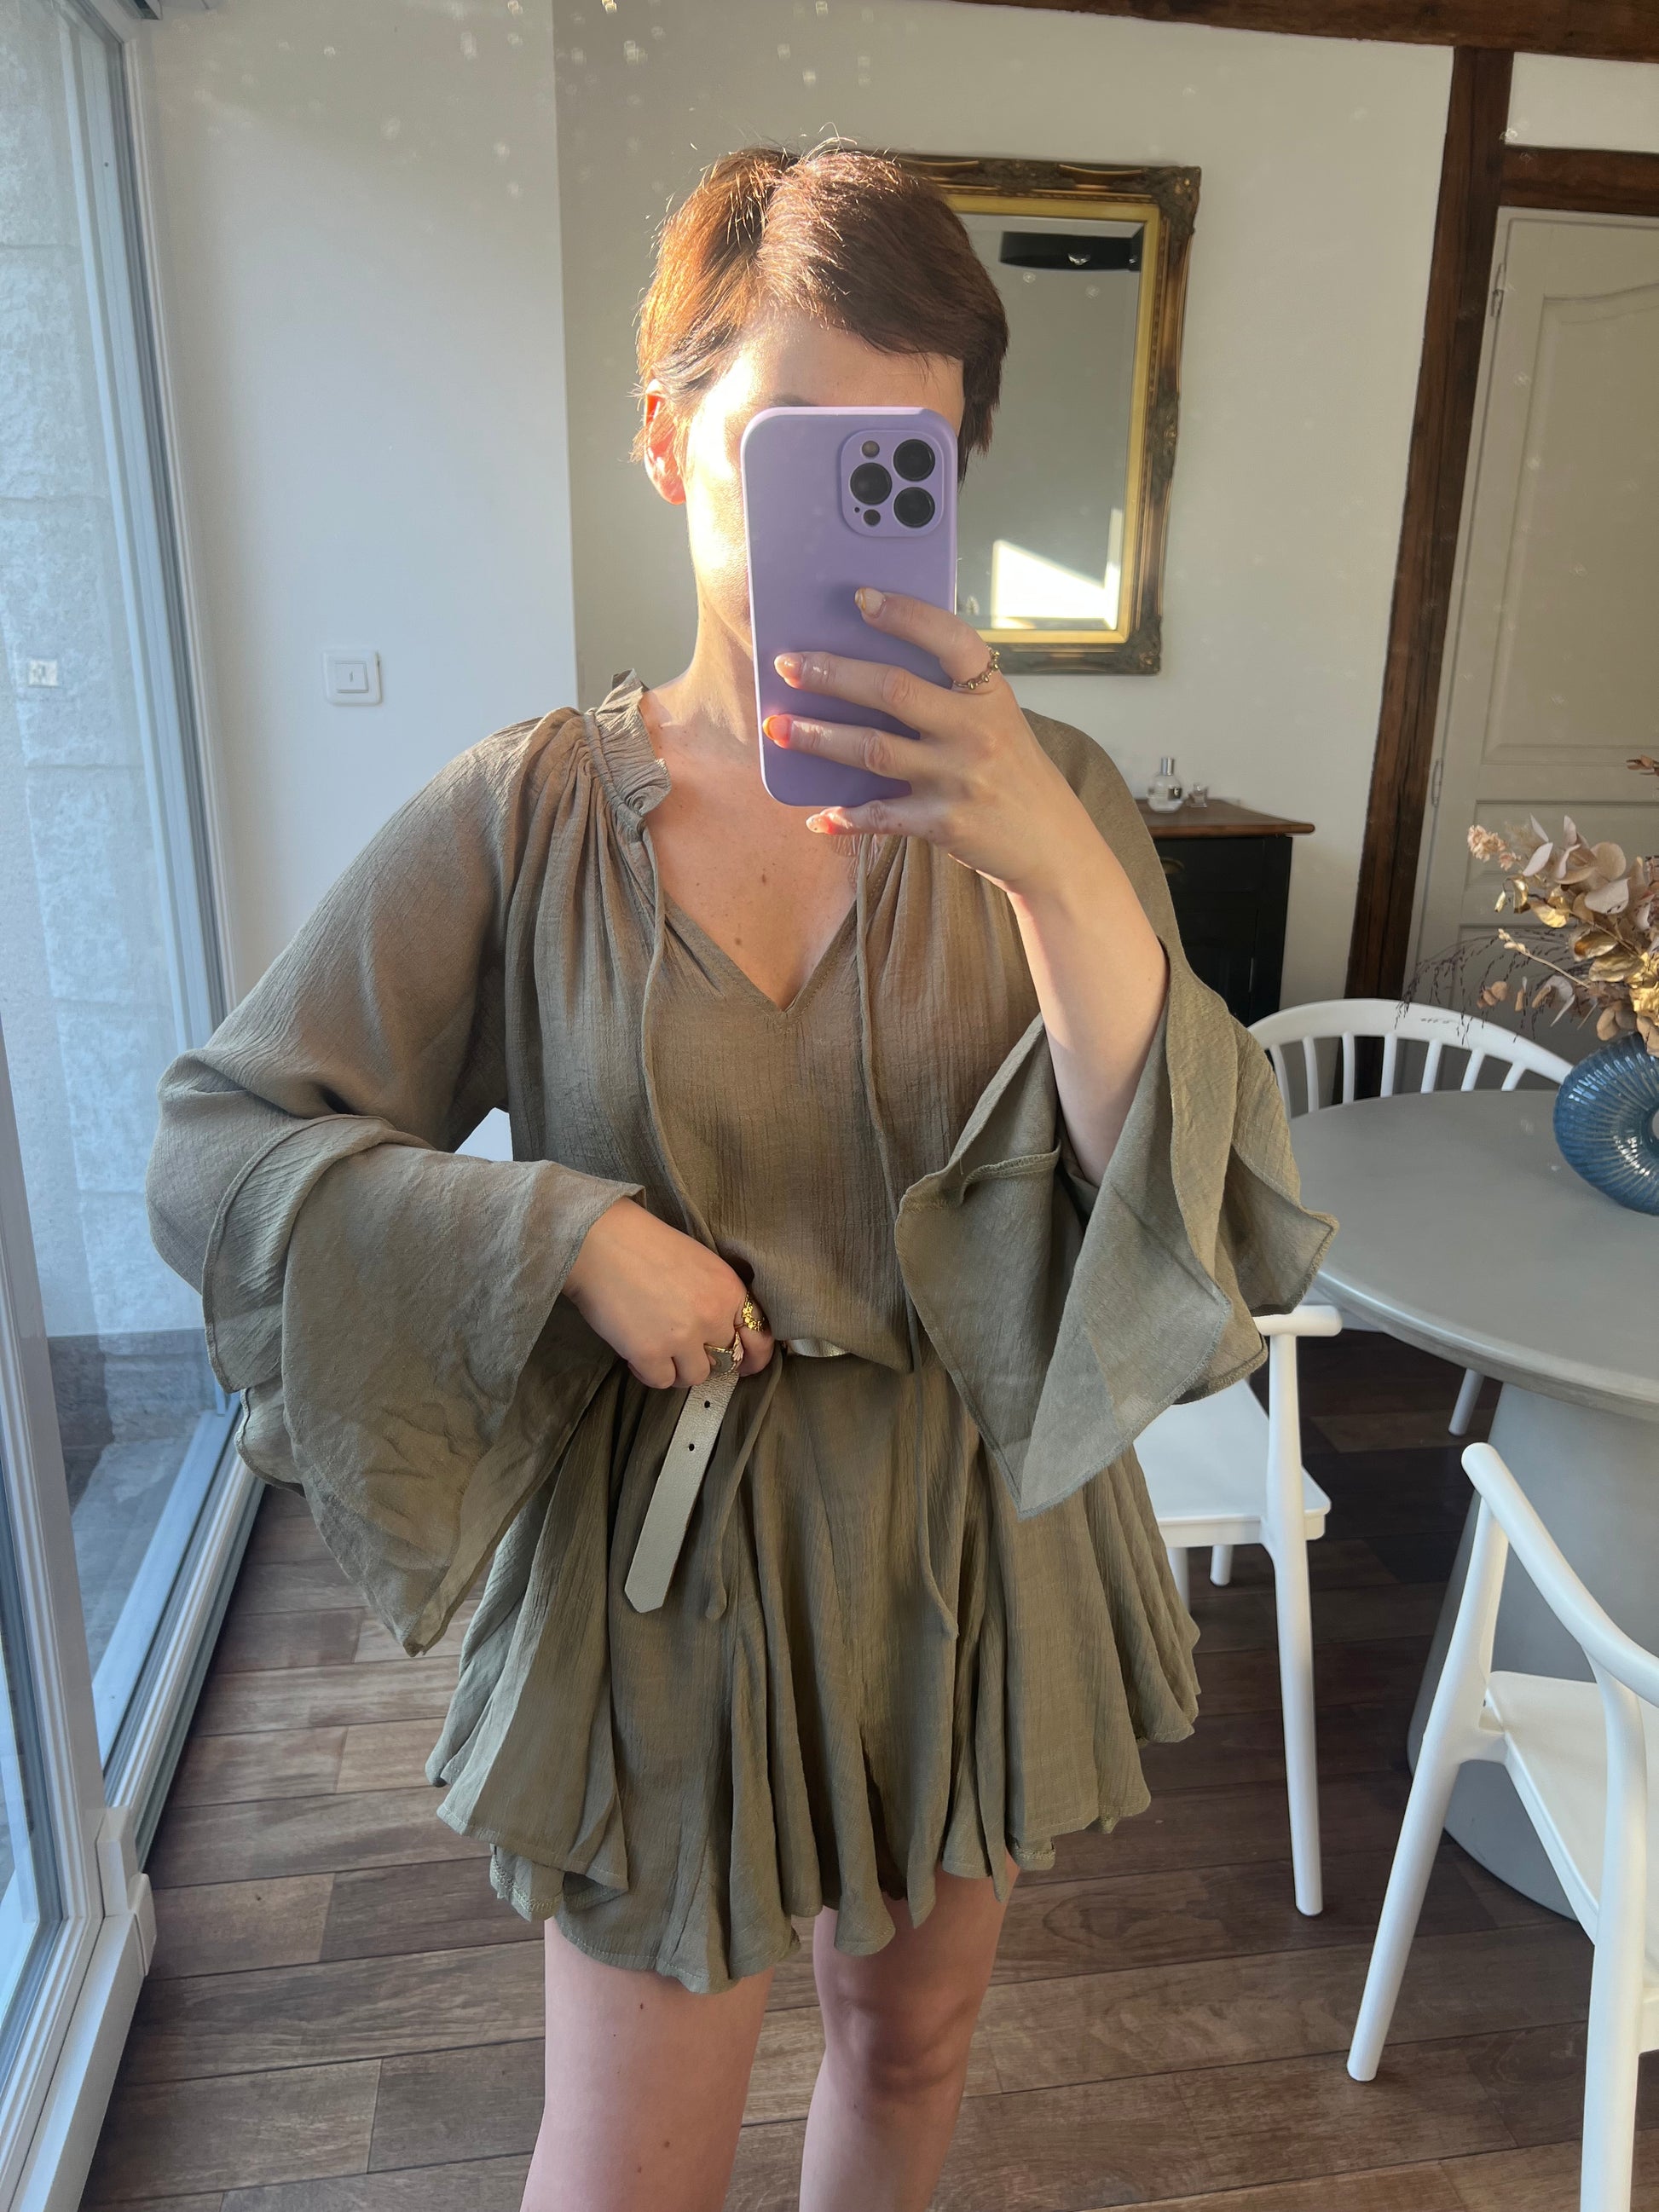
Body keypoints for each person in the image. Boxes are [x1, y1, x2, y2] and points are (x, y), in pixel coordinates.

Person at [145, 142, 1333, 2212]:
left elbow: (1176, 1208)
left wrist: (1051, 869)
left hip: (967, 1531)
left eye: (906, 457)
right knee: (630, 2161)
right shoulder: (525, 815)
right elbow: (220, 1143)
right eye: (795, 445)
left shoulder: (1048, 798)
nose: (851, 509)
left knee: (913, 2044)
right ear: (665, 438)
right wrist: (560, 1231)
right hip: (666, 1564)